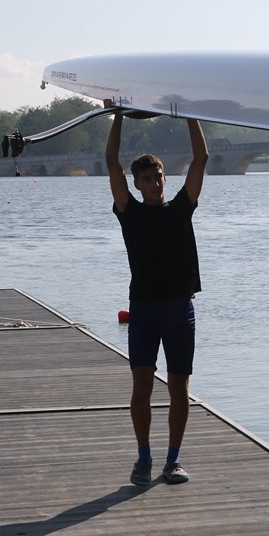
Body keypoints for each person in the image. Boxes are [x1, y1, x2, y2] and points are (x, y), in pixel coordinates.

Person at [105, 100, 209, 487]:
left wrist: (190, 113)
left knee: (180, 388)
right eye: (148, 178)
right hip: (145, 312)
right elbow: (111, 162)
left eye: (160, 176)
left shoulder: (182, 208)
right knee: (142, 388)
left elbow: (202, 157)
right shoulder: (128, 211)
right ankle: (144, 458)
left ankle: (173, 461)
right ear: (137, 183)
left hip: (180, 309)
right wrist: (116, 115)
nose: (156, 182)